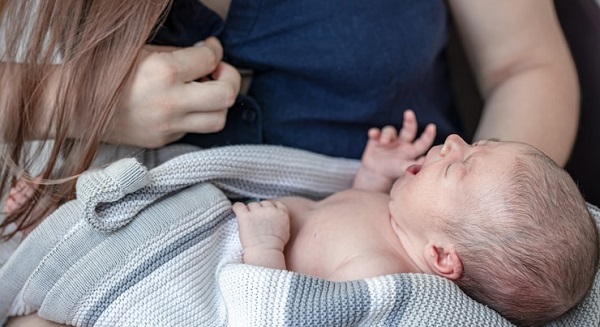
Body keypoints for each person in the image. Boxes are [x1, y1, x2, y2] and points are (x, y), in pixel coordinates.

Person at [0, 1, 579, 240]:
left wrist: (473, 230)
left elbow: (525, 67)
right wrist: (74, 99)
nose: (453, 149)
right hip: (131, 242)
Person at [233, 111, 598, 327]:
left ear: (441, 256)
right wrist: (373, 174)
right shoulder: (400, 223)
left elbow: (281, 314)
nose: (454, 140)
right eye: (480, 143)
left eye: (460, 167)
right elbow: (345, 212)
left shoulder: (376, 275)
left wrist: (264, 249)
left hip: (243, 248)